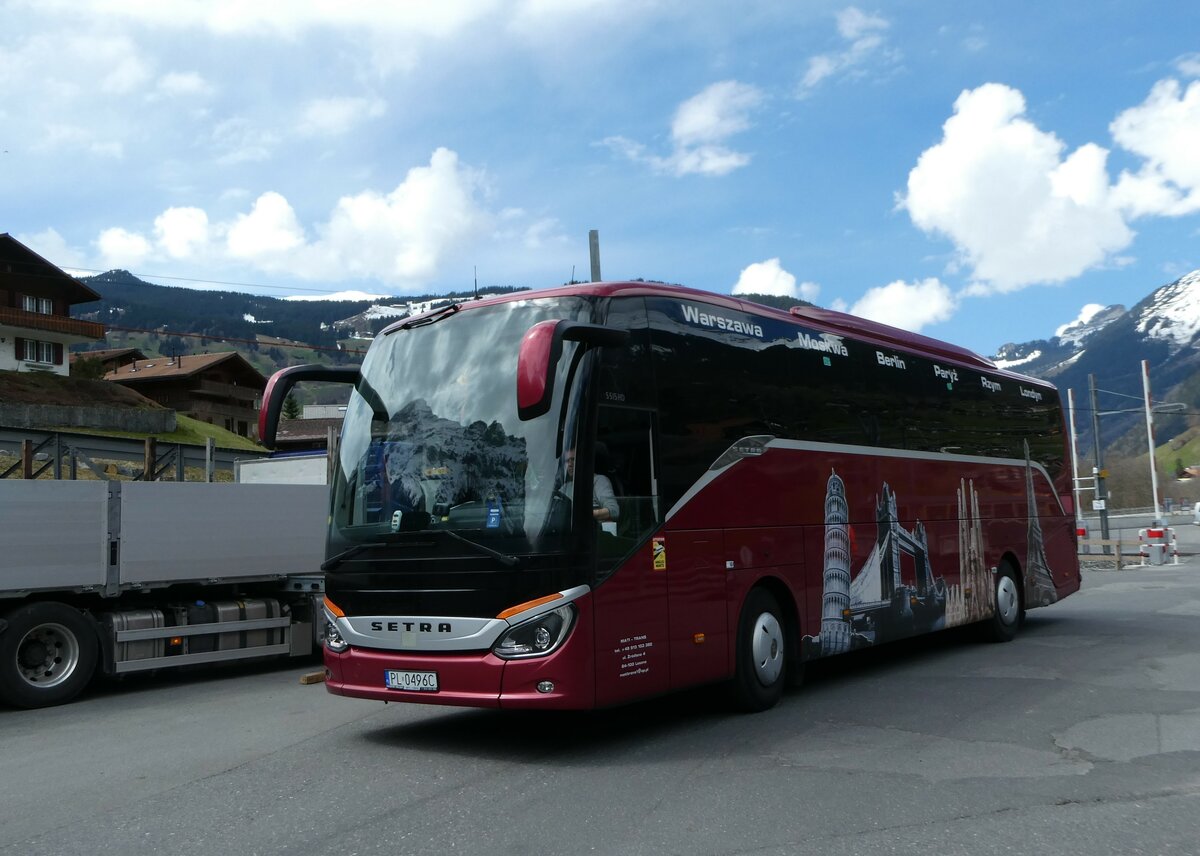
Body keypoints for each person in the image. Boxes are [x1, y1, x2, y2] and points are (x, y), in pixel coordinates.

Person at [562, 448, 620, 523]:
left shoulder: (599, 481)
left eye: (573, 459)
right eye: (567, 461)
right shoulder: (565, 487)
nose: (570, 464)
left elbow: (614, 511)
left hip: (593, 531)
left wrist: (581, 515)